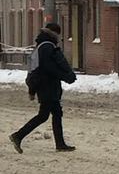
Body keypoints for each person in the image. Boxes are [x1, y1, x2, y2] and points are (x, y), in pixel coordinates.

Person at [9, 22, 77, 154]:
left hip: (45, 85)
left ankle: (60, 144)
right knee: (44, 115)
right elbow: (48, 67)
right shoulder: (47, 47)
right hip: (47, 86)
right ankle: (18, 136)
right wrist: (65, 76)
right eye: (58, 34)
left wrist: (32, 90)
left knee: (54, 114)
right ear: (54, 34)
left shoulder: (41, 45)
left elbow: (36, 69)